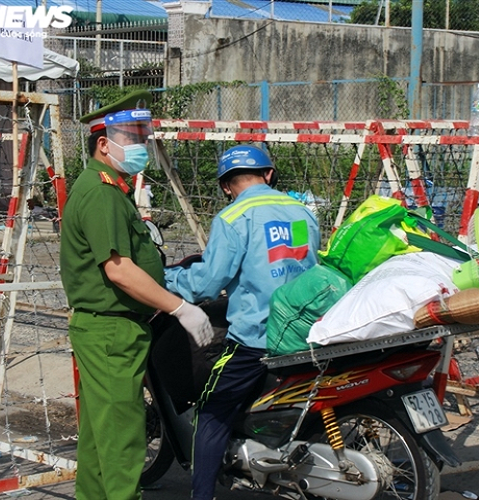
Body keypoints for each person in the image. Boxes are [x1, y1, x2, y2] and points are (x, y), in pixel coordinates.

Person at [59, 90, 214, 500]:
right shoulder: (100, 192)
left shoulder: (109, 187)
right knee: (124, 442)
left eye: (142, 136)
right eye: (131, 137)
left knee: (99, 440)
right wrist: (181, 308)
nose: (140, 146)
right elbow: (119, 269)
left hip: (110, 330)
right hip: (112, 331)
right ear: (103, 144)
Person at [164, 144, 321, 500]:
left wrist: (166, 279)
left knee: (211, 410)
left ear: (225, 185)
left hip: (258, 338)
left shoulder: (233, 217)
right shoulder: (303, 212)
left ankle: (201, 495)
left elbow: (206, 283)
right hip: (307, 331)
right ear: (269, 174)